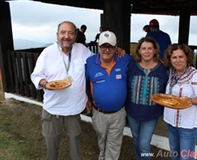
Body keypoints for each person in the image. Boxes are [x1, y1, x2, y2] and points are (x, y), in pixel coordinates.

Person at [31, 21, 93, 160]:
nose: (67, 36)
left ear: (76, 36)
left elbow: (96, 63)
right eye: (63, 32)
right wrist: (44, 83)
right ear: (57, 35)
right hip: (53, 109)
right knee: (52, 149)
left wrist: (116, 51)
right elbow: (36, 75)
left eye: (70, 33)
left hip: (74, 108)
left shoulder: (82, 50)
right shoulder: (47, 53)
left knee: (75, 149)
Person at [85, 30, 132, 160]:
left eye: (110, 46)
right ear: (98, 46)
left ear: (116, 47)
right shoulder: (89, 62)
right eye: (103, 46)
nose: (107, 49)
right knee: (102, 138)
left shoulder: (125, 60)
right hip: (99, 112)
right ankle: (102, 155)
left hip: (118, 113)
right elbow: (82, 82)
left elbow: (143, 62)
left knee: (114, 143)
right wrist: (86, 99)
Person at [163, 44, 197, 160]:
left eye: (181, 57)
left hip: (188, 125)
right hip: (172, 122)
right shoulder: (172, 73)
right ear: (170, 59)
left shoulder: (196, 76)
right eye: (174, 57)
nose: (177, 60)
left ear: (187, 57)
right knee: (174, 153)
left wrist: (186, 100)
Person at [125, 37, 168, 160]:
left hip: (151, 113)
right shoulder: (131, 66)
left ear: (155, 50)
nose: (147, 51)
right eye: (143, 48)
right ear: (139, 50)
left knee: (144, 144)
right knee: (136, 141)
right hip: (133, 111)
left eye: (150, 48)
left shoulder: (162, 69)